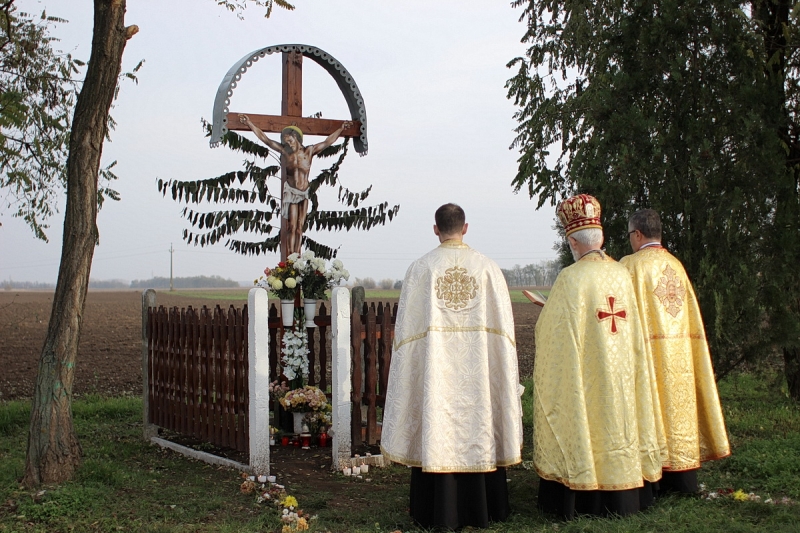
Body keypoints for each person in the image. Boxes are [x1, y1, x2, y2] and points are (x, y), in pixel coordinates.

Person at [380, 203, 523, 530]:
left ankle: (434, 509)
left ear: (436, 229)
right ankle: (486, 508)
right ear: (465, 228)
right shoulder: (487, 268)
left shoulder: (421, 269)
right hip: (478, 373)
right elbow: (504, 335)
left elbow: (406, 337)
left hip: (437, 374)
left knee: (438, 423)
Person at [533, 194, 666, 519]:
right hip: (623, 372)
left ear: (573, 242)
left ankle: (583, 491)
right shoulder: (622, 273)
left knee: (585, 417)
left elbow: (552, 332)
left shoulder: (570, 278)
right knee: (622, 422)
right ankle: (627, 492)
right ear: (601, 238)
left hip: (587, 375)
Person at [620, 209, 730, 493]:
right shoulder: (676, 265)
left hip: (650, 357)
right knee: (679, 411)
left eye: (630, 234)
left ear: (637, 234)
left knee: (651, 408)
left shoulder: (631, 266)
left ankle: (653, 477)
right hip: (681, 356)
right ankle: (683, 478)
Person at [238, 114, 352, 256]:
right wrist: (249, 124)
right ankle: (290, 256)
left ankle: (297, 257)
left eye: (290, 141)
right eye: (286, 142)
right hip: (292, 192)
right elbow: (266, 139)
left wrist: (341, 129)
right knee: (291, 226)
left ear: (296, 137)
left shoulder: (309, 151)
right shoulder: (285, 152)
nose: (289, 144)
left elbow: (327, 142)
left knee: (299, 228)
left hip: (304, 192)